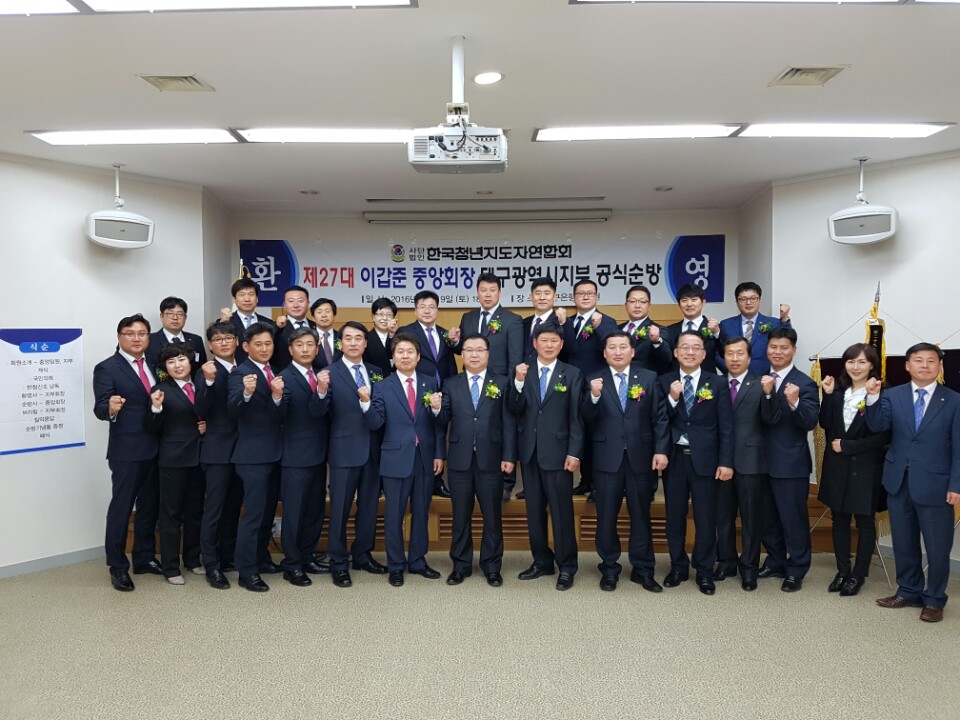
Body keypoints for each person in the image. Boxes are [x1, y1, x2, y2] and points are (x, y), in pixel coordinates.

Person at [865, 342, 960, 623]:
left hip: (937, 484)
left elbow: (958, 448)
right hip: (899, 482)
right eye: (918, 360)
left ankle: (935, 599)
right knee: (904, 542)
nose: (925, 365)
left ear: (939, 366)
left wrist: (956, 484)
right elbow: (877, 426)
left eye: (931, 361)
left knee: (938, 547)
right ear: (908, 365)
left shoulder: (953, 400)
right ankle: (908, 591)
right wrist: (872, 398)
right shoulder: (892, 396)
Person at [580, 331, 669, 592]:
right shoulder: (593, 379)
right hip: (606, 458)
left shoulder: (649, 378)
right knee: (606, 516)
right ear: (604, 352)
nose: (618, 352)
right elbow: (585, 417)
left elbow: (659, 418)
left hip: (641, 457)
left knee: (641, 515)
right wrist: (594, 396)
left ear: (632, 352)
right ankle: (609, 568)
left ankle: (643, 569)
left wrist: (661, 450)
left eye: (623, 347)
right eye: (612, 347)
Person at [363, 334, 446, 587]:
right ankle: (396, 565)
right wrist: (365, 404)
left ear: (418, 357)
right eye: (400, 352)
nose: (405, 356)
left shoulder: (430, 382)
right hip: (395, 458)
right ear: (393, 357)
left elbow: (438, 425)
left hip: (424, 458)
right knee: (394, 514)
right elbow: (375, 423)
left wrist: (439, 452)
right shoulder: (382, 386)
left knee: (421, 511)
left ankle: (418, 561)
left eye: (410, 352)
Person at [436, 333, 516, 587]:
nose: (474, 354)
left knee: (492, 516)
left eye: (479, 350)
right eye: (469, 349)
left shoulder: (502, 382)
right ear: (462, 354)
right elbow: (442, 421)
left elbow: (509, 422)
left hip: (491, 459)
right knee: (460, 516)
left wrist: (509, 455)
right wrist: (436, 408)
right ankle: (460, 565)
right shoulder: (451, 383)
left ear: (488, 354)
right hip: (459, 460)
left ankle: (492, 566)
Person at [508, 322, 584, 591]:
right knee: (534, 512)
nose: (549, 345)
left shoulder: (572, 374)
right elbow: (514, 408)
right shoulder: (523, 371)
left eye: (554, 341)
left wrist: (574, 452)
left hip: (559, 453)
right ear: (535, 343)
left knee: (562, 513)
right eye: (544, 340)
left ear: (561, 345)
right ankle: (542, 561)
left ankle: (567, 566)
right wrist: (517, 382)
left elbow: (576, 417)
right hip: (530, 452)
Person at [658, 330, 734, 595]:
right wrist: (672, 398)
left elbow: (726, 426)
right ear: (676, 352)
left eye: (695, 348)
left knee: (705, 517)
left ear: (703, 354)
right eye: (684, 347)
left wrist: (726, 462)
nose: (689, 352)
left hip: (707, 460)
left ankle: (704, 570)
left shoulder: (718, 383)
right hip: (675, 459)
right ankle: (678, 566)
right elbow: (658, 419)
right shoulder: (664, 381)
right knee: (674, 517)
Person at [92, 314, 161, 592]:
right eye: (130, 333)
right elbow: (100, 407)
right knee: (122, 508)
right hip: (127, 450)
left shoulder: (156, 364)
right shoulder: (107, 368)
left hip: (158, 447)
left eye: (142, 333)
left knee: (150, 506)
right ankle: (118, 566)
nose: (136, 338)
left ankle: (144, 558)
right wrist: (110, 407)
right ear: (119, 337)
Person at [818, 343, 889, 597]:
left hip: (865, 468)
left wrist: (848, 446)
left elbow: (882, 436)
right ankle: (842, 571)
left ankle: (858, 575)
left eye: (862, 362)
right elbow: (825, 423)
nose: (855, 367)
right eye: (851, 361)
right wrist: (827, 395)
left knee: (865, 522)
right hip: (837, 467)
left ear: (872, 365)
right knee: (839, 519)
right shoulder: (838, 392)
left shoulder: (882, 394)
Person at [325, 321, 389, 587]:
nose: (353, 343)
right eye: (348, 338)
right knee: (340, 509)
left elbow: (381, 410)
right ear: (340, 344)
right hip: (343, 451)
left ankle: (362, 555)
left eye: (358, 338)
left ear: (365, 343)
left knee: (369, 507)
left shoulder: (376, 372)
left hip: (373, 450)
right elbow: (320, 412)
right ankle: (338, 562)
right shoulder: (328, 373)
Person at [454, 272, 523, 502]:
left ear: (499, 293)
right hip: (472, 384)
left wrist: (511, 389)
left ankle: (507, 483)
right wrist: (454, 341)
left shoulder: (512, 320)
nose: (487, 294)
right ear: (477, 292)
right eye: (483, 290)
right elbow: (465, 349)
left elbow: (515, 358)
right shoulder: (468, 317)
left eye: (492, 290)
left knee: (504, 429)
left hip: (499, 385)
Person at [759, 326, 819, 592]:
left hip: (790, 464)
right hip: (760, 461)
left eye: (784, 348)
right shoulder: (759, 378)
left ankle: (796, 568)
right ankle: (775, 561)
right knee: (767, 518)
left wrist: (794, 402)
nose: (778, 352)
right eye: (773, 347)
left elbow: (810, 422)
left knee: (793, 519)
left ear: (793, 350)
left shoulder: (804, 383)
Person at [228, 322, 285, 592]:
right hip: (252, 456)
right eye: (258, 344)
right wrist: (247, 393)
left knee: (266, 513)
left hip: (274, 453)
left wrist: (277, 396)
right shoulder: (240, 373)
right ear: (246, 346)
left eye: (268, 344)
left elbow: (277, 412)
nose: (264, 349)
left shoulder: (273, 371)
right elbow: (233, 408)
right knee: (253, 514)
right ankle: (246, 571)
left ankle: (261, 559)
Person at [718, 336, 779, 591]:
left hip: (751, 462)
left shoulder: (761, 384)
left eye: (739, 353)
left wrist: (769, 395)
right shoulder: (716, 384)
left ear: (749, 357)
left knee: (751, 519)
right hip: (720, 462)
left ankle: (749, 568)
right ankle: (726, 562)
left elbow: (771, 419)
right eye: (729, 354)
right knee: (723, 517)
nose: (734, 358)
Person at [146, 342, 206, 585]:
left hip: (200, 457)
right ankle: (171, 567)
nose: (177, 365)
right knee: (170, 514)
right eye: (171, 362)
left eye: (181, 359)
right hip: (173, 459)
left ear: (190, 361)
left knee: (195, 512)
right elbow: (151, 427)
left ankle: (192, 559)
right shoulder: (160, 390)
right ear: (165, 368)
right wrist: (155, 408)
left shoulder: (201, 385)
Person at [278, 327, 331, 587]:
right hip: (294, 456)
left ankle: (307, 556)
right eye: (300, 345)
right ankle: (291, 564)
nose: (306, 349)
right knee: (294, 514)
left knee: (314, 511)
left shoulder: (321, 374)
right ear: (290, 350)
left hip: (319, 454)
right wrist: (320, 392)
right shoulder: (283, 378)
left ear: (317, 348)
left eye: (310, 344)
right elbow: (281, 415)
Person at [194, 321, 242, 590]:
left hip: (243, 450)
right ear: (210, 346)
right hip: (217, 451)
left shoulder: (244, 368)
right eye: (218, 340)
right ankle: (211, 564)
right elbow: (199, 408)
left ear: (237, 341)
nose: (224, 343)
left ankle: (228, 557)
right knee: (213, 509)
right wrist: (209, 382)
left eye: (228, 338)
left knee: (233, 507)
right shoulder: (206, 371)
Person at [399, 290, 457, 498]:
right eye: (422, 307)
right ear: (415, 310)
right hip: (416, 391)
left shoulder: (444, 334)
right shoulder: (406, 332)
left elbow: (448, 362)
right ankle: (414, 478)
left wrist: (451, 389)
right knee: (419, 433)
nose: (427, 311)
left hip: (441, 391)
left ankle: (437, 481)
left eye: (431, 307)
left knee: (439, 431)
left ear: (437, 310)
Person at [563, 278, 617, 497]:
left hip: (596, 386)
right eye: (580, 293)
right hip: (571, 385)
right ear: (574, 297)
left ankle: (596, 484)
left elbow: (611, 349)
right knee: (578, 433)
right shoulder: (567, 322)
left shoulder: (607, 321)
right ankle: (585, 480)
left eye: (590, 293)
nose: (585, 297)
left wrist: (598, 327)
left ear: (597, 297)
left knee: (596, 435)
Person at [718, 282, 791, 375]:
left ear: (759, 300)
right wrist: (730, 370)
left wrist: (784, 319)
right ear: (737, 303)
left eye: (753, 298)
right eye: (743, 299)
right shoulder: (726, 324)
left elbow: (787, 342)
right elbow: (718, 353)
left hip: (765, 378)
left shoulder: (773, 323)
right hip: (734, 378)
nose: (748, 302)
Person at [664, 284, 719, 373]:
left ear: (703, 302)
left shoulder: (715, 328)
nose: (689, 304)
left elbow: (723, 353)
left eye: (694, 300)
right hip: (677, 379)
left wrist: (717, 333)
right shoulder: (669, 330)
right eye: (684, 300)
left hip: (707, 379)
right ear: (679, 304)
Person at [145, 296, 207, 374]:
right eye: (170, 314)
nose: (175, 318)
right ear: (161, 316)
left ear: (185, 317)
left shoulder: (196, 340)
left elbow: (202, 369)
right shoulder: (149, 340)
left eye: (180, 314)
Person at [619, 284, 672, 374]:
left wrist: (656, 341)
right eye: (632, 301)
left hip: (645, 380)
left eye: (642, 302)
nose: (637, 305)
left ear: (649, 306)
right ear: (626, 305)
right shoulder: (616, 329)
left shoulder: (660, 330)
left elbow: (666, 359)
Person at [222, 278, 274, 364]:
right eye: (242, 295)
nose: (247, 299)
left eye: (251, 294)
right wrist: (224, 322)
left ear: (257, 299)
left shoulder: (268, 323)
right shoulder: (226, 322)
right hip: (235, 369)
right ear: (234, 299)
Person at [521, 277, 568, 367]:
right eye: (538, 293)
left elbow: (571, 350)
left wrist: (563, 323)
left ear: (554, 297)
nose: (542, 298)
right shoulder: (524, 322)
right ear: (531, 297)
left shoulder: (563, 322)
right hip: (525, 372)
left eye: (547, 293)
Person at [271, 285, 315, 371]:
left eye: (300, 301)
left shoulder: (315, 326)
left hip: (313, 376)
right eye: (291, 301)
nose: (296, 305)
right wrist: (277, 327)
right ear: (284, 305)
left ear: (308, 304)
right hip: (284, 376)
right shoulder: (275, 327)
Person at [365, 297, 398, 376]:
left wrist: (392, 335)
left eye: (389, 315)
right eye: (380, 314)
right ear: (373, 317)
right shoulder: (366, 339)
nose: (384, 318)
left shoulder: (400, 338)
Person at [312, 297, 341, 369]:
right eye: (319, 312)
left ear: (334, 316)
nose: (324, 315)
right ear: (313, 318)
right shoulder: (309, 337)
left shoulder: (341, 337)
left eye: (327, 311)